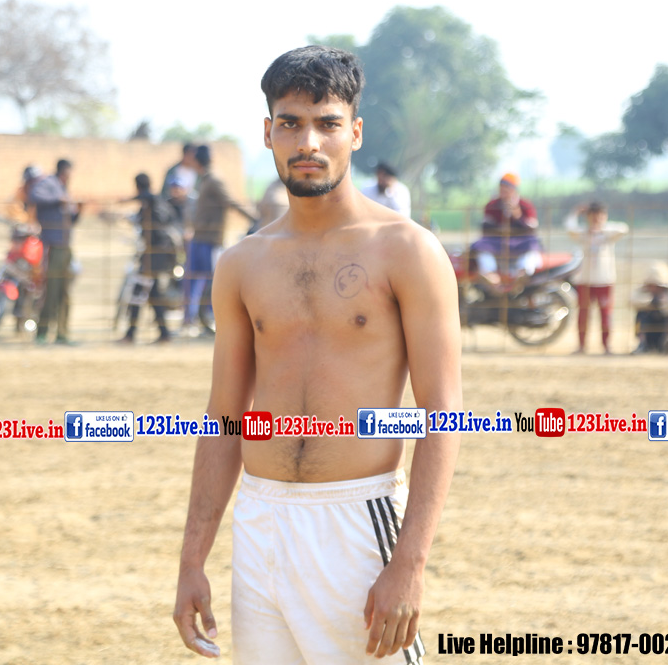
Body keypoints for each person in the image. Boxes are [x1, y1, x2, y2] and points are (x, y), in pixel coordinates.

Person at [173, 45, 462, 665]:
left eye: (327, 123)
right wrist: (192, 559)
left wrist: (409, 564)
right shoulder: (243, 263)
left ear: (354, 132)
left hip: (357, 522)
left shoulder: (407, 250)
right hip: (260, 523)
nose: (308, 142)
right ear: (269, 133)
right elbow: (223, 419)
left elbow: (443, 414)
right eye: (291, 123)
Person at [183, 144, 257, 337]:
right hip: (199, 237)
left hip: (210, 240)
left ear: (196, 160)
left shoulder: (214, 180)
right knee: (193, 280)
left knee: (212, 282)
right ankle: (191, 321)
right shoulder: (203, 180)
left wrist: (255, 219)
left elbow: (230, 202)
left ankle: (209, 320)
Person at [120, 173, 181, 345]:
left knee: (138, 292)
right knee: (154, 295)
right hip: (155, 255)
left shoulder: (152, 201)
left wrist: (125, 200)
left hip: (153, 256)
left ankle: (131, 334)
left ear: (137, 186)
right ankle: (164, 334)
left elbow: (147, 197)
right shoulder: (155, 204)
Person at [28, 158, 81, 345]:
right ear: (63, 171)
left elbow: (71, 218)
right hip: (52, 246)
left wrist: (78, 210)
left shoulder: (63, 188)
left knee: (64, 293)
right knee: (50, 291)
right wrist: (58, 200)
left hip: (65, 246)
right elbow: (34, 196)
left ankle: (62, 334)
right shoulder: (49, 184)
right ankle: (42, 333)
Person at [564, 202, 628, 354]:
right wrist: (575, 212)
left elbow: (624, 228)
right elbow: (569, 228)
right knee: (583, 315)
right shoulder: (583, 234)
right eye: (593, 216)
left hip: (604, 281)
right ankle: (581, 346)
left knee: (606, 314)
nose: (596, 219)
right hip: (585, 281)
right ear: (587, 217)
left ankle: (606, 346)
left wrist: (601, 228)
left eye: (600, 216)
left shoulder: (608, 234)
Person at [475, 173, 542, 291]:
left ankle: (523, 273)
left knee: (532, 244)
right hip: (497, 241)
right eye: (501, 189)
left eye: (507, 189)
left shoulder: (525, 205)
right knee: (481, 245)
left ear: (514, 190)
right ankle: (490, 274)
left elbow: (532, 227)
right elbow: (486, 227)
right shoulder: (492, 205)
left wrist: (516, 213)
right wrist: (501, 229)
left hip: (520, 240)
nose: (503, 192)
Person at [631, 261, 668, 354]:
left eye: (657, 286)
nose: (654, 288)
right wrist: (649, 301)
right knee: (641, 313)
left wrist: (665, 304)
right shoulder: (644, 290)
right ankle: (642, 343)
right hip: (649, 334)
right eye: (652, 285)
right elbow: (631, 300)